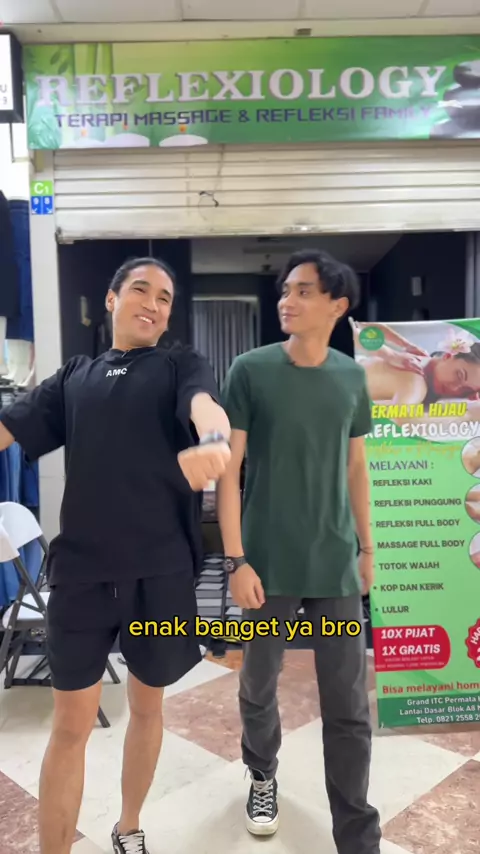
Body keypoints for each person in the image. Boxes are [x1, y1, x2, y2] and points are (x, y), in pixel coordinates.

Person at [0, 257, 231, 854]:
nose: (152, 304)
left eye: (164, 297)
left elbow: (205, 405)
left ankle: (129, 826)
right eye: (140, 290)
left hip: (160, 573)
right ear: (111, 299)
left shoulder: (179, 364)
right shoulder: (74, 376)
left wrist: (213, 438)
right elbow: (9, 427)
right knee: (69, 726)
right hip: (80, 573)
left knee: (147, 707)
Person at [216, 249, 381, 854]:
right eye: (286, 290)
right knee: (258, 684)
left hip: (335, 563)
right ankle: (262, 775)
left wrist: (367, 546)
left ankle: (357, 832)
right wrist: (236, 559)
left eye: (304, 291)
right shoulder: (251, 370)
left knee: (349, 705)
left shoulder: (352, 377)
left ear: (337, 306)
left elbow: (356, 465)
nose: (288, 300)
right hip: (267, 563)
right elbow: (229, 468)